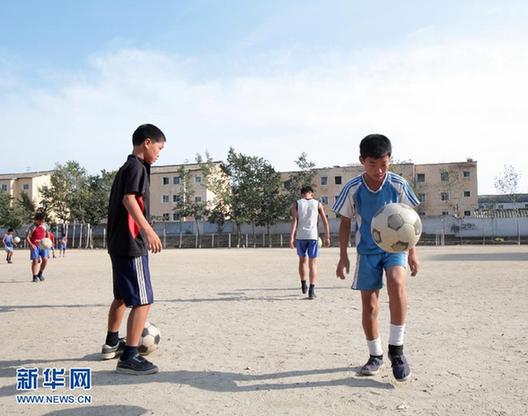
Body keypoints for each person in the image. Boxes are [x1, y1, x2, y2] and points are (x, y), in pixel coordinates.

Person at [333, 134, 420, 382]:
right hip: (367, 251)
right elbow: (345, 222)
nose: (379, 170)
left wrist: (412, 253)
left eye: (384, 164)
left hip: (396, 249)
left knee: (396, 282)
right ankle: (375, 356)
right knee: (370, 304)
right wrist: (343, 257)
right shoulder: (353, 188)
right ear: (362, 161)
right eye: (373, 165)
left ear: (389, 159)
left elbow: (411, 221)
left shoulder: (398, 184)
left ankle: (398, 351)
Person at [101, 123, 165, 375]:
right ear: (147, 143)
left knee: (123, 297)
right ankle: (130, 356)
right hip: (131, 243)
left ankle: (111, 343)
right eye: (159, 147)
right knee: (144, 299)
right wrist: (148, 230)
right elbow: (129, 199)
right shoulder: (137, 167)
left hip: (117, 242)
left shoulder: (126, 167)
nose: (160, 153)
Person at [289, 186, 331, 299]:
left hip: (300, 236)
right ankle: (312, 290)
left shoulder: (296, 204)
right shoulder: (317, 203)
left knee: (302, 261)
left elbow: (294, 221)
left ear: (301, 194)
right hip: (313, 236)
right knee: (313, 264)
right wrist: (327, 237)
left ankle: (303, 283)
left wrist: (291, 237)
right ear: (311, 194)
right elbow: (325, 222)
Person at [26, 212, 50, 282]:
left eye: (43, 221)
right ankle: (34, 276)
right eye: (40, 221)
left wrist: (48, 242)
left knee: (45, 259)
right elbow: (27, 237)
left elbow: (47, 234)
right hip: (35, 246)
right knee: (35, 260)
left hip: (43, 245)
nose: (42, 222)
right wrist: (31, 244)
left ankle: (40, 273)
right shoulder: (32, 227)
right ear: (36, 220)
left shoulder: (45, 225)